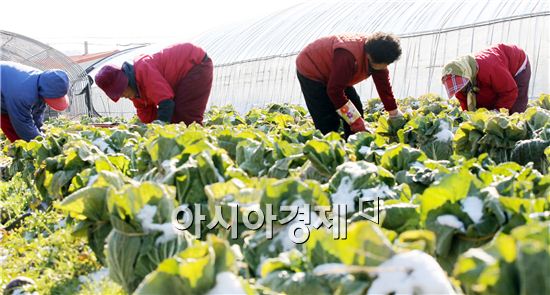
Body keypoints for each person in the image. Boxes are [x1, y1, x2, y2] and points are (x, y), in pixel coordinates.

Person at [296, 32, 403, 137]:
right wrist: (356, 122)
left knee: (356, 106)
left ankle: (354, 143)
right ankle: (330, 147)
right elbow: (334, 91)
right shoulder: (347, 56)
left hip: (335, 71)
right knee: (326, 118)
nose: (385, 66)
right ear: (369, 56)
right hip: (311, 69)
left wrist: (393, 112)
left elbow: (383, 84)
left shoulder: (379, 52)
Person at [95, 43, 213, 125]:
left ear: (125, 81)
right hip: (180, 77)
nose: (122, 96)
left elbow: (166, 102)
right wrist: (148, 129)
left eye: (121, 92)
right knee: (175, 120)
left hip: (195, 64)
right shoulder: (135, 93)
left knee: (185, 119)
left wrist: (159, 127)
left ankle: (199, 154)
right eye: (118, 95)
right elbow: (146, 115)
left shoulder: (143, 70)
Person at [442, 43, 530, 114]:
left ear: (467, 75)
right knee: (484, 101)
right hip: (498, 70)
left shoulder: (489, 67)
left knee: (515, 110)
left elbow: (510, 91)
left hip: (517, 64)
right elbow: (466, 107)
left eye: (462, 85)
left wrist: (497, 111)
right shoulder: (460, 88)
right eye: (459, 88)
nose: (461, 89)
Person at [0, 61, 70, 142]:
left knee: (18, 135)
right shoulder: (22, 93)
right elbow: (22, 123)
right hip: (7, 87)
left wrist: (40, 132)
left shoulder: (42, 81)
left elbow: (37, 113)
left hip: (6, 89)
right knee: (17, 129)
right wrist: (40, 141)